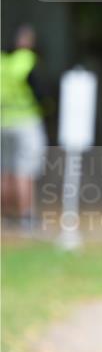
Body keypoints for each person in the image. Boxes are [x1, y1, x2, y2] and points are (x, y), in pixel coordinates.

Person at [1, 25, 48, 230]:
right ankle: (26, 215)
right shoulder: (28, 61)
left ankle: (5, 216)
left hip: (3, 122)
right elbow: (41, 93)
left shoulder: (3, 62)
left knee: (5, 170)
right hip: (26, 121)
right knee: (25, 170)